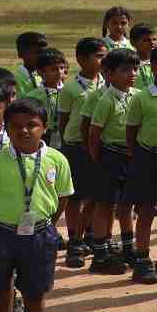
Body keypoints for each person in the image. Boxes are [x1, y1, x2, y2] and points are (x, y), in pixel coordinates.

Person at [0, 98, 73, 312]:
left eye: (31, 125)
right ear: (6, 128)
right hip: (3, 232)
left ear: (44, 126)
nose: (23, 131)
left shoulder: (57, 159)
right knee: (2, 280)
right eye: (15, 126)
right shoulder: (0, 159)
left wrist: (49, 222)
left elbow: (63, 195)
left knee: (35, 286)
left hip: (40, 234)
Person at [87, 48, 139, 275]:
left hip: (131, 156)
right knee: (105, 204)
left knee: (127, 204)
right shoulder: (106, 100)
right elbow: (93, 134)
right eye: (125, 70)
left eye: (135, 69)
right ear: (109, 74)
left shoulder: (137, 96)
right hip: (110, 156)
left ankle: (128, 248)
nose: (132, 74)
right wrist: (96, 159)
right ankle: (100, 255)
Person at [58, 37, 104, 268]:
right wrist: (71, 143)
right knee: (75, 197)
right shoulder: (70, 88)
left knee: (95, 194)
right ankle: (74, 240)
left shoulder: (107, 83)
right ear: (82, 59)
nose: (103, 60)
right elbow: (63, 120)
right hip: (75, 146)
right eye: (99, 56)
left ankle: (90, 234)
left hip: (98, 145)